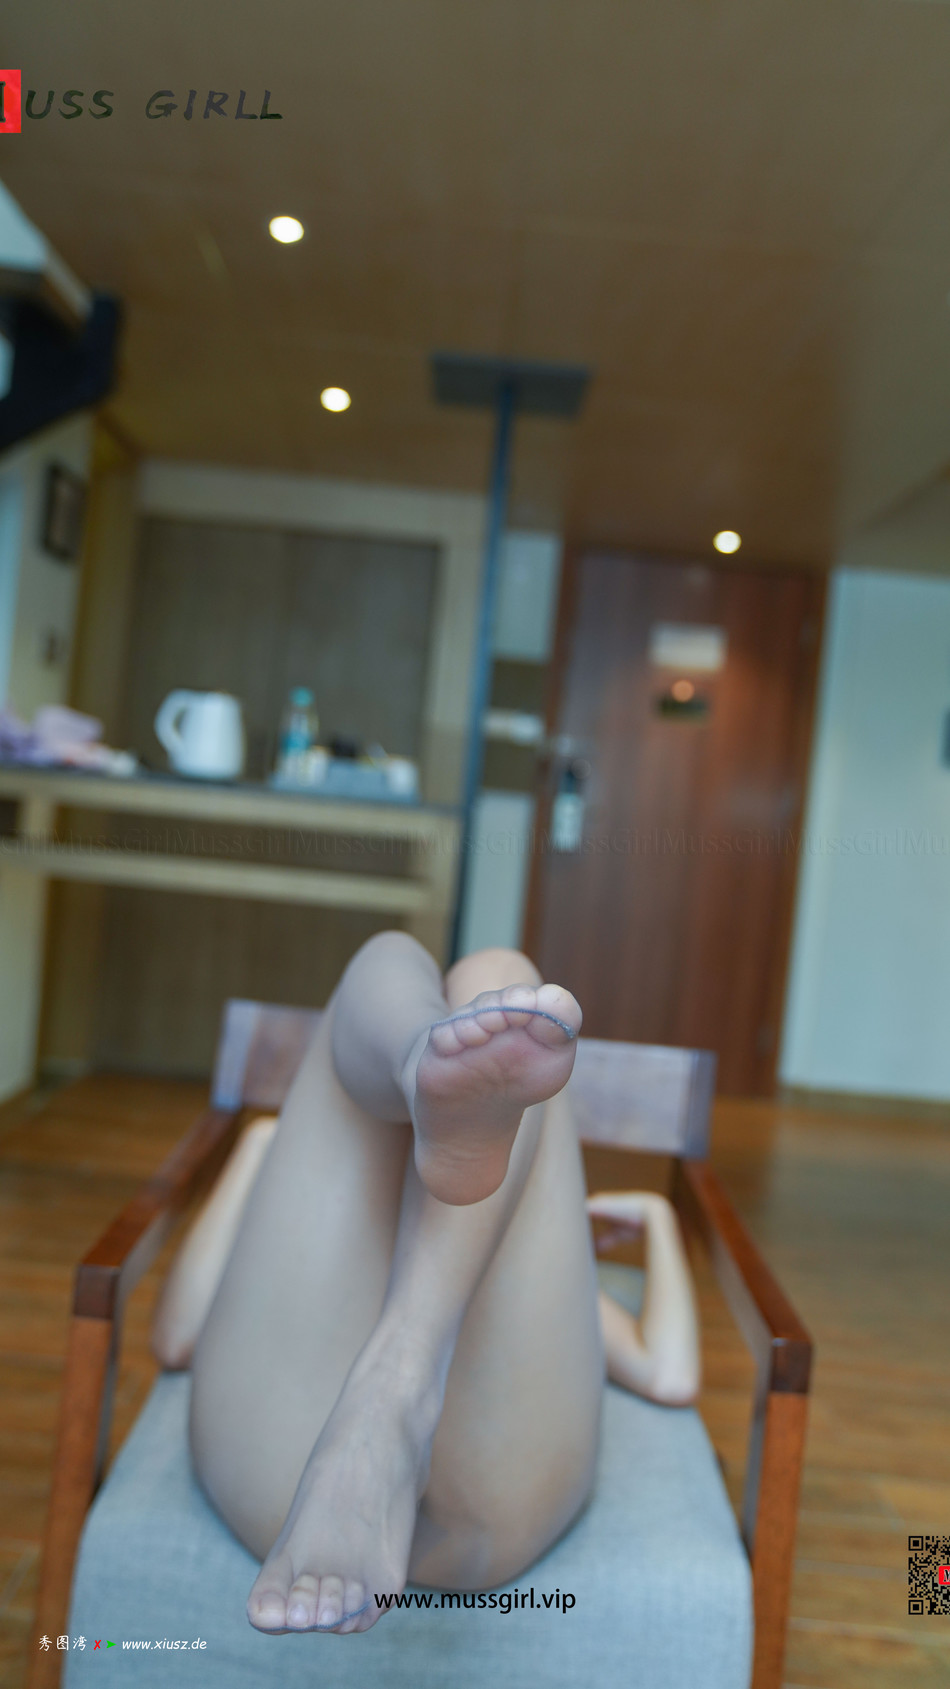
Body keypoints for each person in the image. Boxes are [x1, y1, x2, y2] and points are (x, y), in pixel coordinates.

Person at [150, 933, 700, 1637]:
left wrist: (658, 1217)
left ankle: (389, 1393)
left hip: (284, 1481)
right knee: (497, 975)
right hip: (487, 1514)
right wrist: (262, 1146)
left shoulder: (508, 1282)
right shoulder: (330, 1232)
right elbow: (669, 1375)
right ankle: (419, 1075)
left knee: (424, 961)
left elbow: (178, 1336)